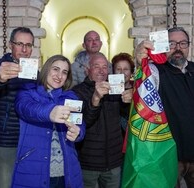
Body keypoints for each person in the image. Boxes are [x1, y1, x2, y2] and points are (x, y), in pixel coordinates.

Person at [11, 55, 86, 188]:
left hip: (66, 169)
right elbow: (25, 108)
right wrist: (49, 112)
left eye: (64, 72)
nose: (59, 75)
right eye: (55, 69)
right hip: (35, 168)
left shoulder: (70, 97)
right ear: (46, 70)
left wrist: (78, 132)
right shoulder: (28, 92)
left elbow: (79, 123)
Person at [135, 27, 194, 188]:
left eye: (182, 43)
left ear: (188, 46)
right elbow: (143, 82)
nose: (178, 48)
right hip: (169, 155)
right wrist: (141, 61)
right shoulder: (156, 71)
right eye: (172, 43)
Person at [0, 27, 35, 188]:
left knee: (27, 183)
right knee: (6, 184)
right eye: (20, 44)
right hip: (6, 139)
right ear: (10, 45)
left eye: (28, 45)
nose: (25, 49)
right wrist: (0, 77)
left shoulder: (35, 70)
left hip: (30, 138)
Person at [72, 52, 133, 188]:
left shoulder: (115, 89)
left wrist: (130, 100)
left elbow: (127, 117)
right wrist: (95, 98)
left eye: (105, 67)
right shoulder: (77, 92)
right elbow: (83, 124)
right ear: (87, 69)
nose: (101, 70)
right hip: (88, 163)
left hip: (114, 161)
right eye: (96, 66)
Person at [111, 52, 135, 136]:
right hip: (114, 137)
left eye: (126, 69)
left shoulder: (138, 89)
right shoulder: (107, 91)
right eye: (118, 69)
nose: (122, 72)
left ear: (131, 73)